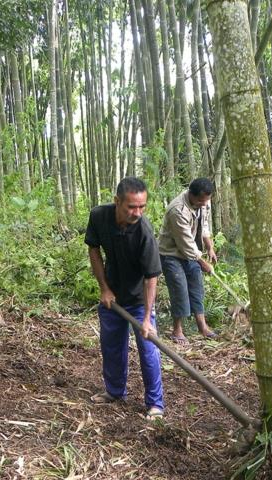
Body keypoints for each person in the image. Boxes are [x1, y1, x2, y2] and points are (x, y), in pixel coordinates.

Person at [85, 177, 164, 420]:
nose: (137, 212)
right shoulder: (99, 216)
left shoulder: (143, 231)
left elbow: (152, 277)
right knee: (111, 345)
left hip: (139, 300)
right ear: (117, 201)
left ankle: (155, 404)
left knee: (149, 350)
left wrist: (148, 319)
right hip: (112, 296)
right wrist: (104, 288)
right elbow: (94, 249)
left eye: (142, 207)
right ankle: (115, 391)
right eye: (132, 206)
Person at [158, 177, 218, 345]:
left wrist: (210, 248)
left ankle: (202, 326)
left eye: (206, 200)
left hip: (191, 253)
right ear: (191, 195)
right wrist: (203, 262)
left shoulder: (203, 203)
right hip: (171, 254)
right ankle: (177, 330)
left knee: (197, 287)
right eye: (200, 200)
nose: (204, 204)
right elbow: (185, 243)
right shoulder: (177, 210)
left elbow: (204, 227)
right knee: (180, 289)